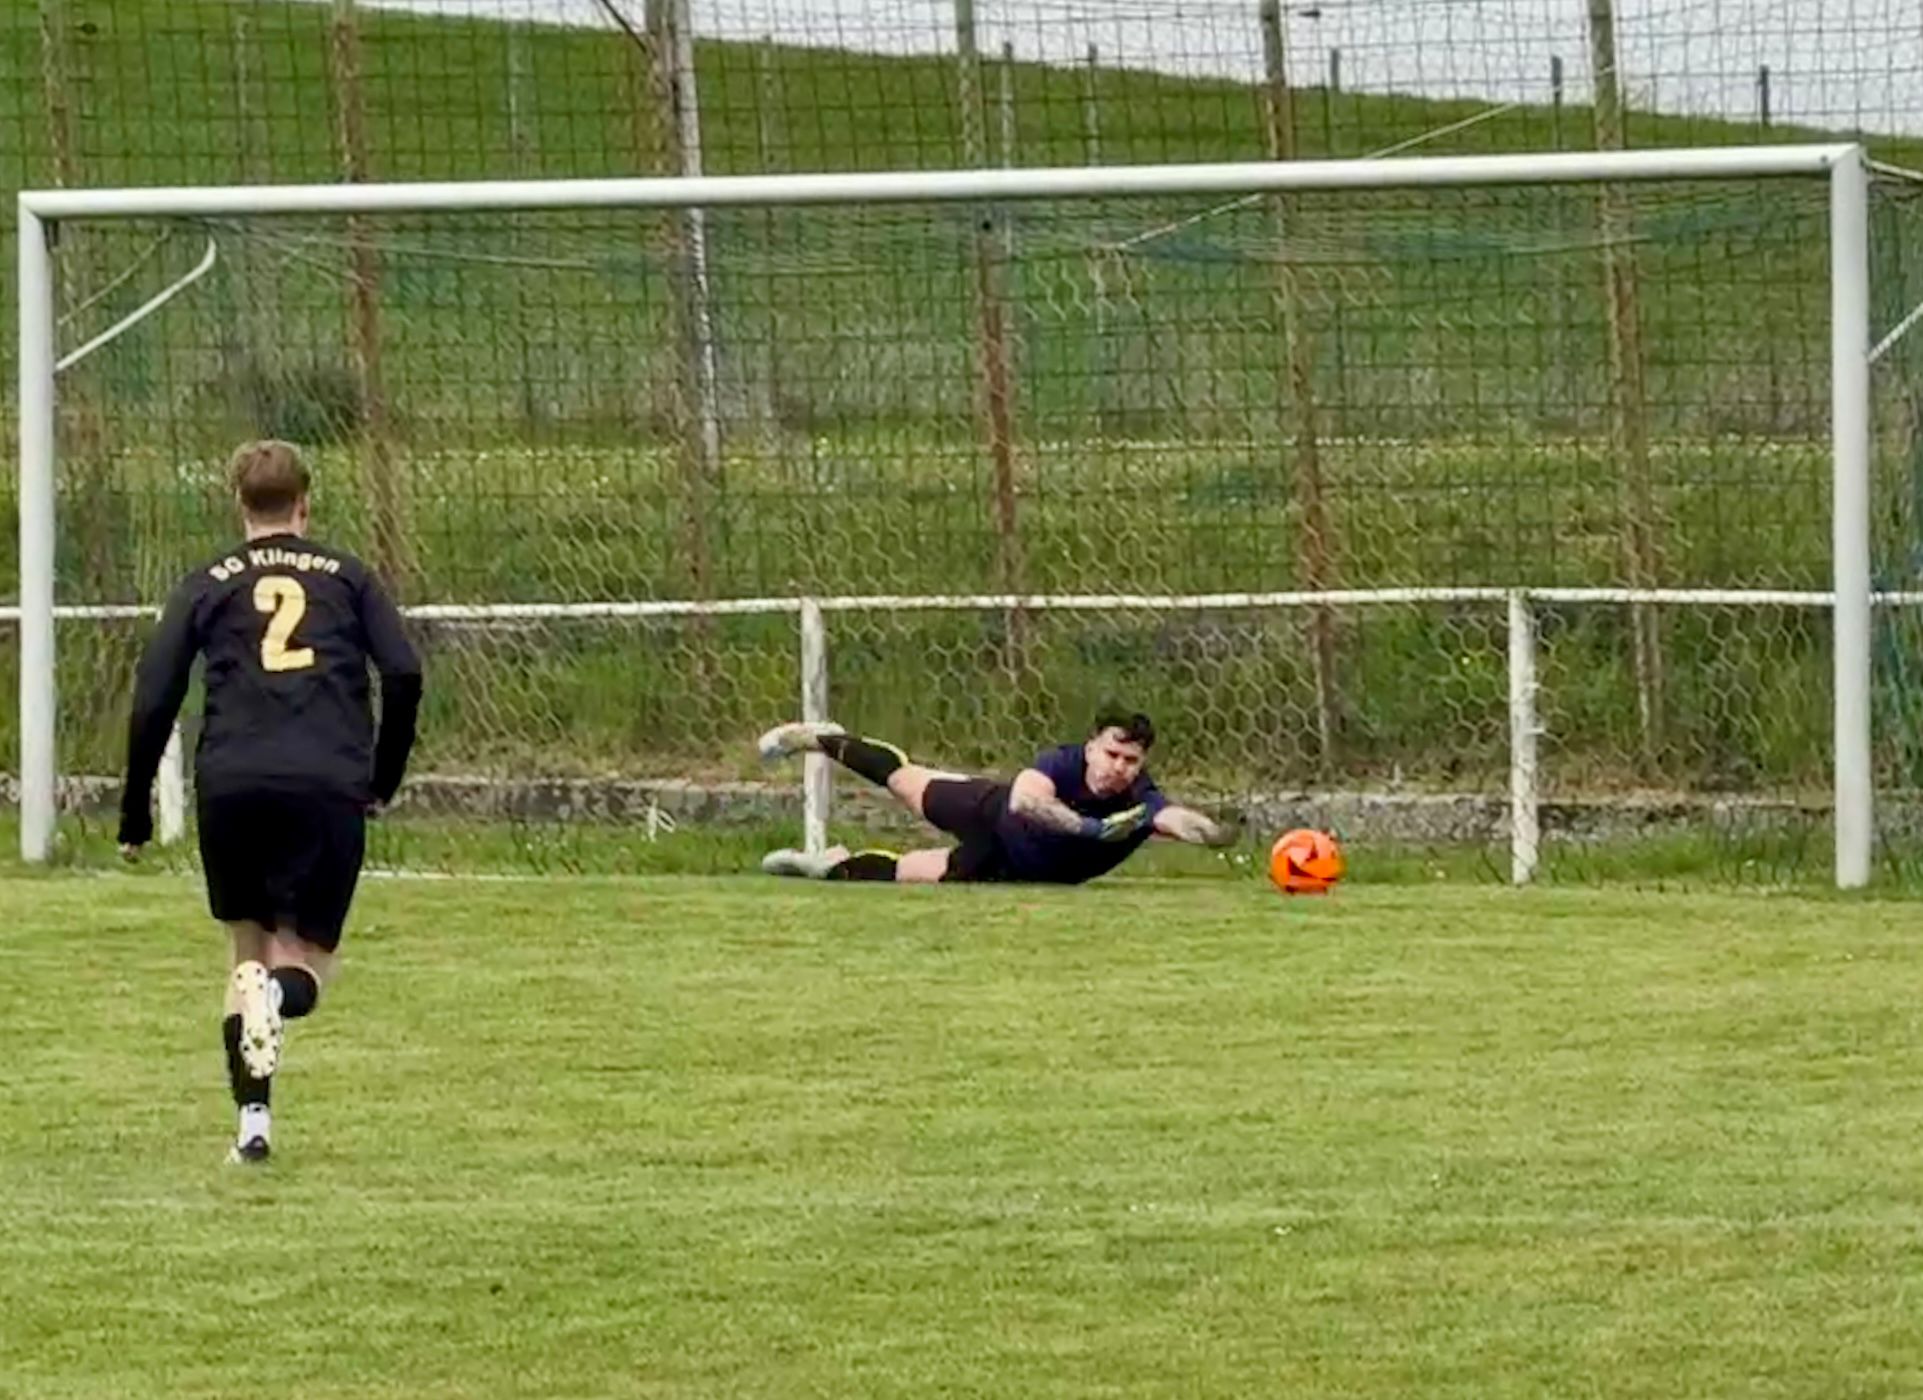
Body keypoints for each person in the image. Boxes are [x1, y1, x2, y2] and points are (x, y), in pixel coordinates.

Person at [116, 439, 423, 1165]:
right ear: (305, 504)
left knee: (246, 956)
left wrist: (134, 810)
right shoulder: (348, 577)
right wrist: (382, 776)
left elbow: (155, 694)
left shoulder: (208, 581)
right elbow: (404, 673)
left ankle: (253, 1126)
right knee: (302, 964)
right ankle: (279, 1005)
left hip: (232, 781)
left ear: (238, 504)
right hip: (325, 780)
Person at [756, 707, 1233, 884]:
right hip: (991, 812)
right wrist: (1090, 829)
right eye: (1111, 754)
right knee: (903, 781)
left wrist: (1213, 834)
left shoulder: (1140, 798)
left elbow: (1173, 818)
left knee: (909, 872)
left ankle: (826, 865)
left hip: (1011, 867)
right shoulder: (1062, 762)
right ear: (1092, 747)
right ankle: (820, 738)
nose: (1118, 767)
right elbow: (1026, 800)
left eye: (1130, 760)